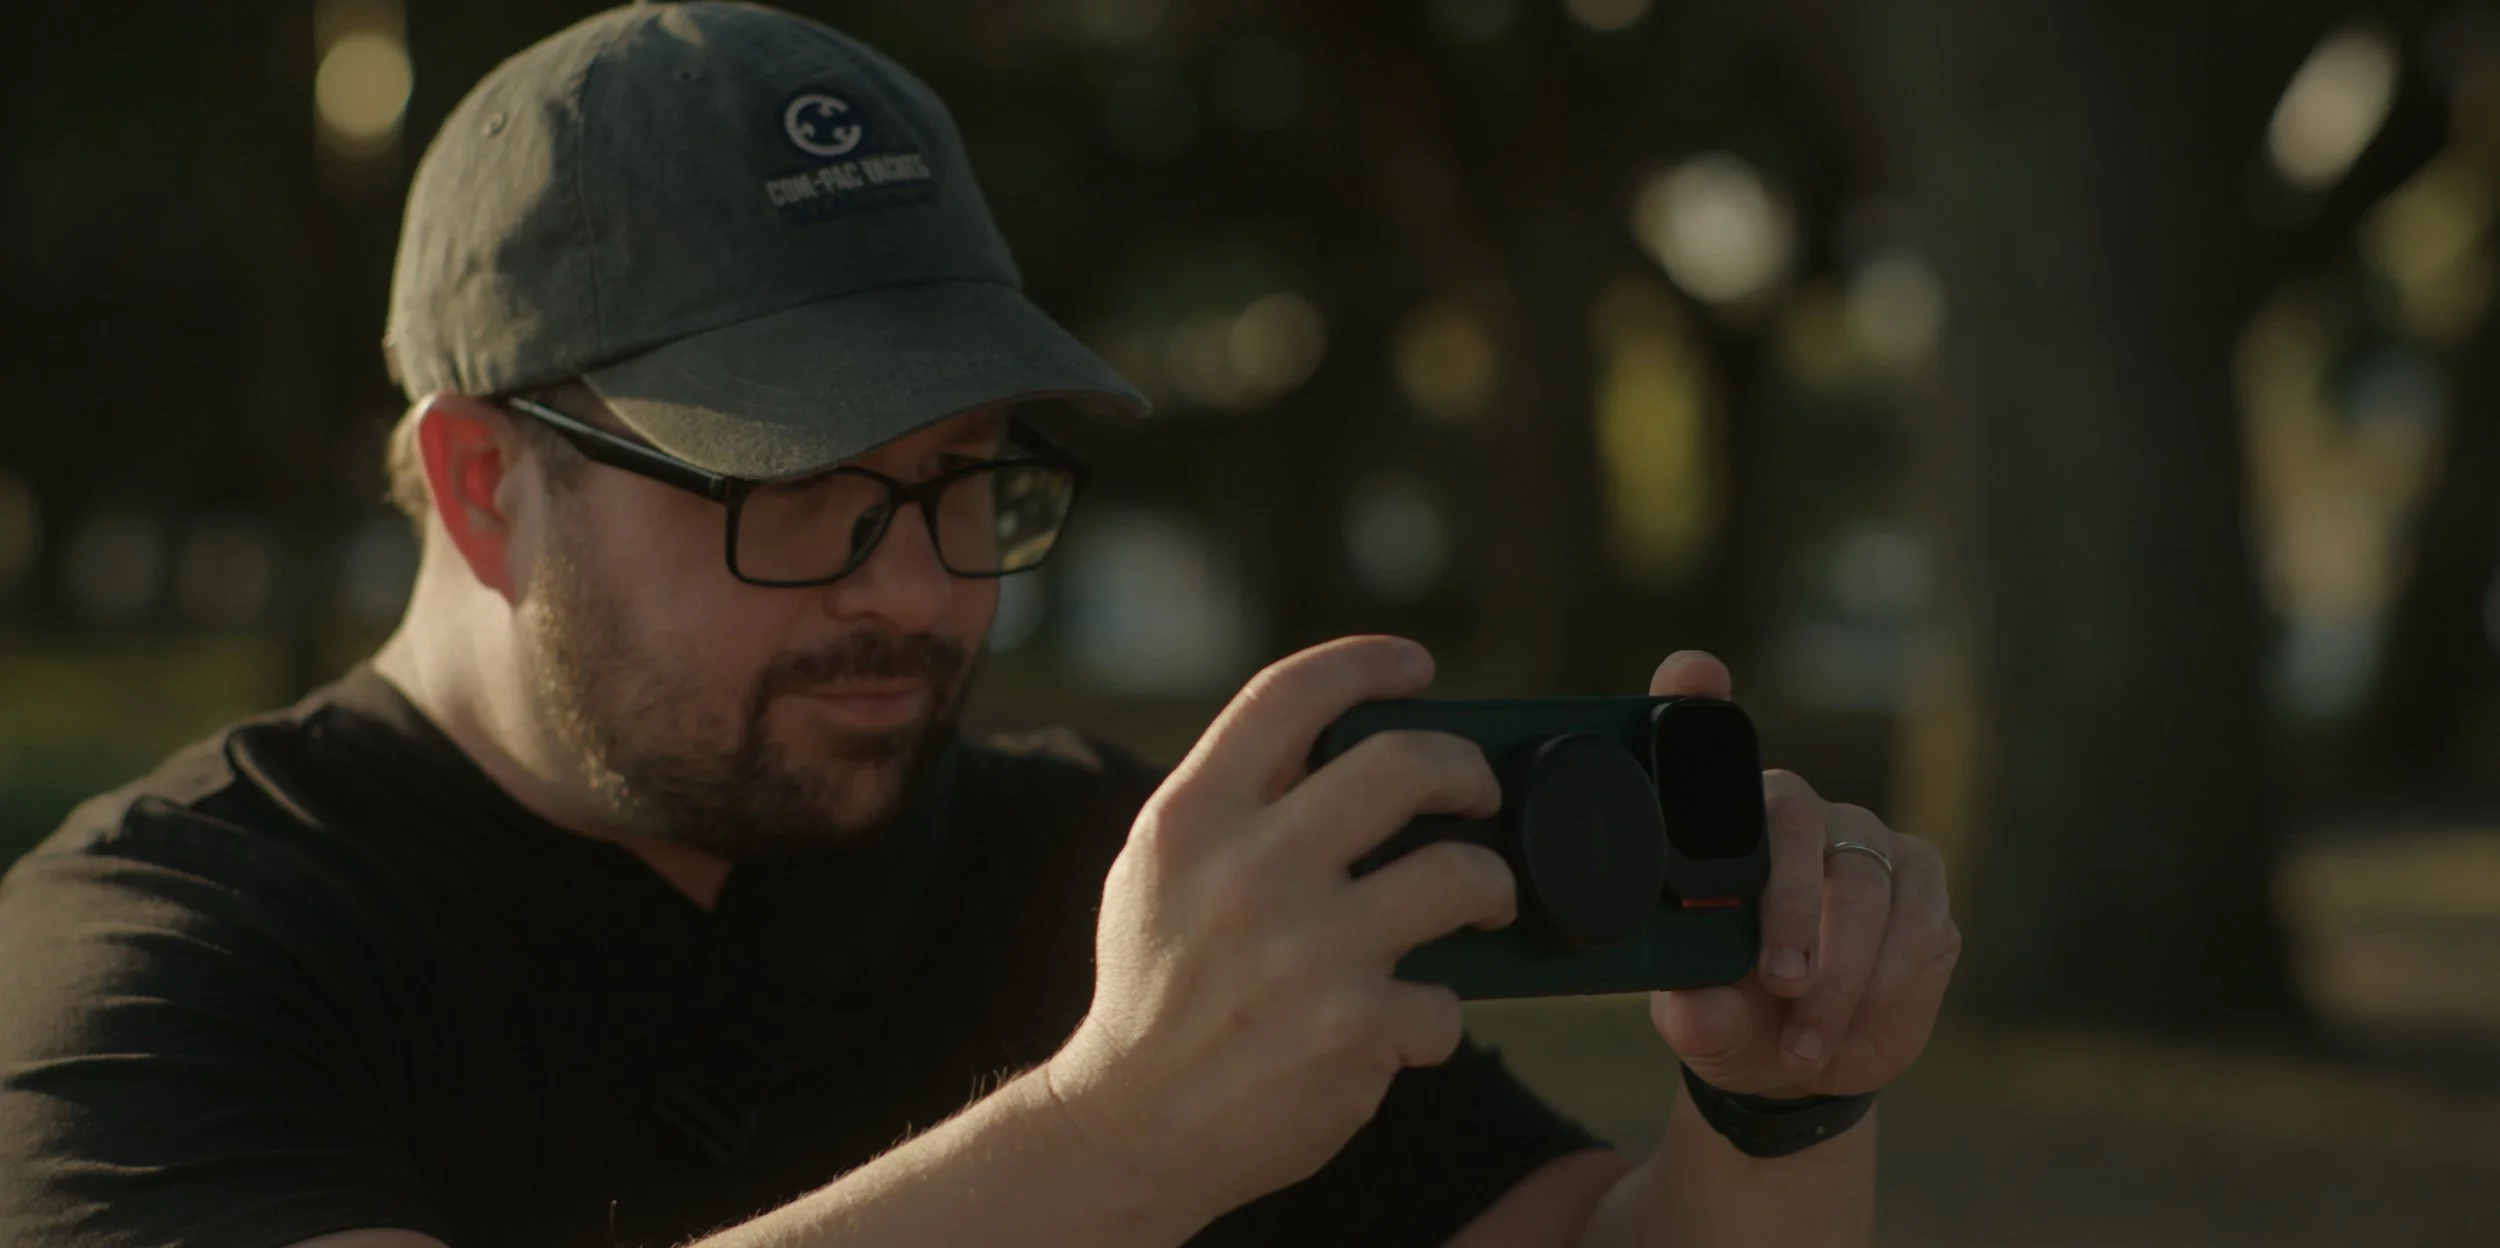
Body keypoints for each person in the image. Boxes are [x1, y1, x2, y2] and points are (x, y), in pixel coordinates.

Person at [0, 4, 1959, 1245]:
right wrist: (1113, 1141)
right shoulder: (154, 963)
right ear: (483, 487)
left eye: (966, 481)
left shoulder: (1088, 873)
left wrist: (1775, 1114)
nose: (923, 589)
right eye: (796, 494)